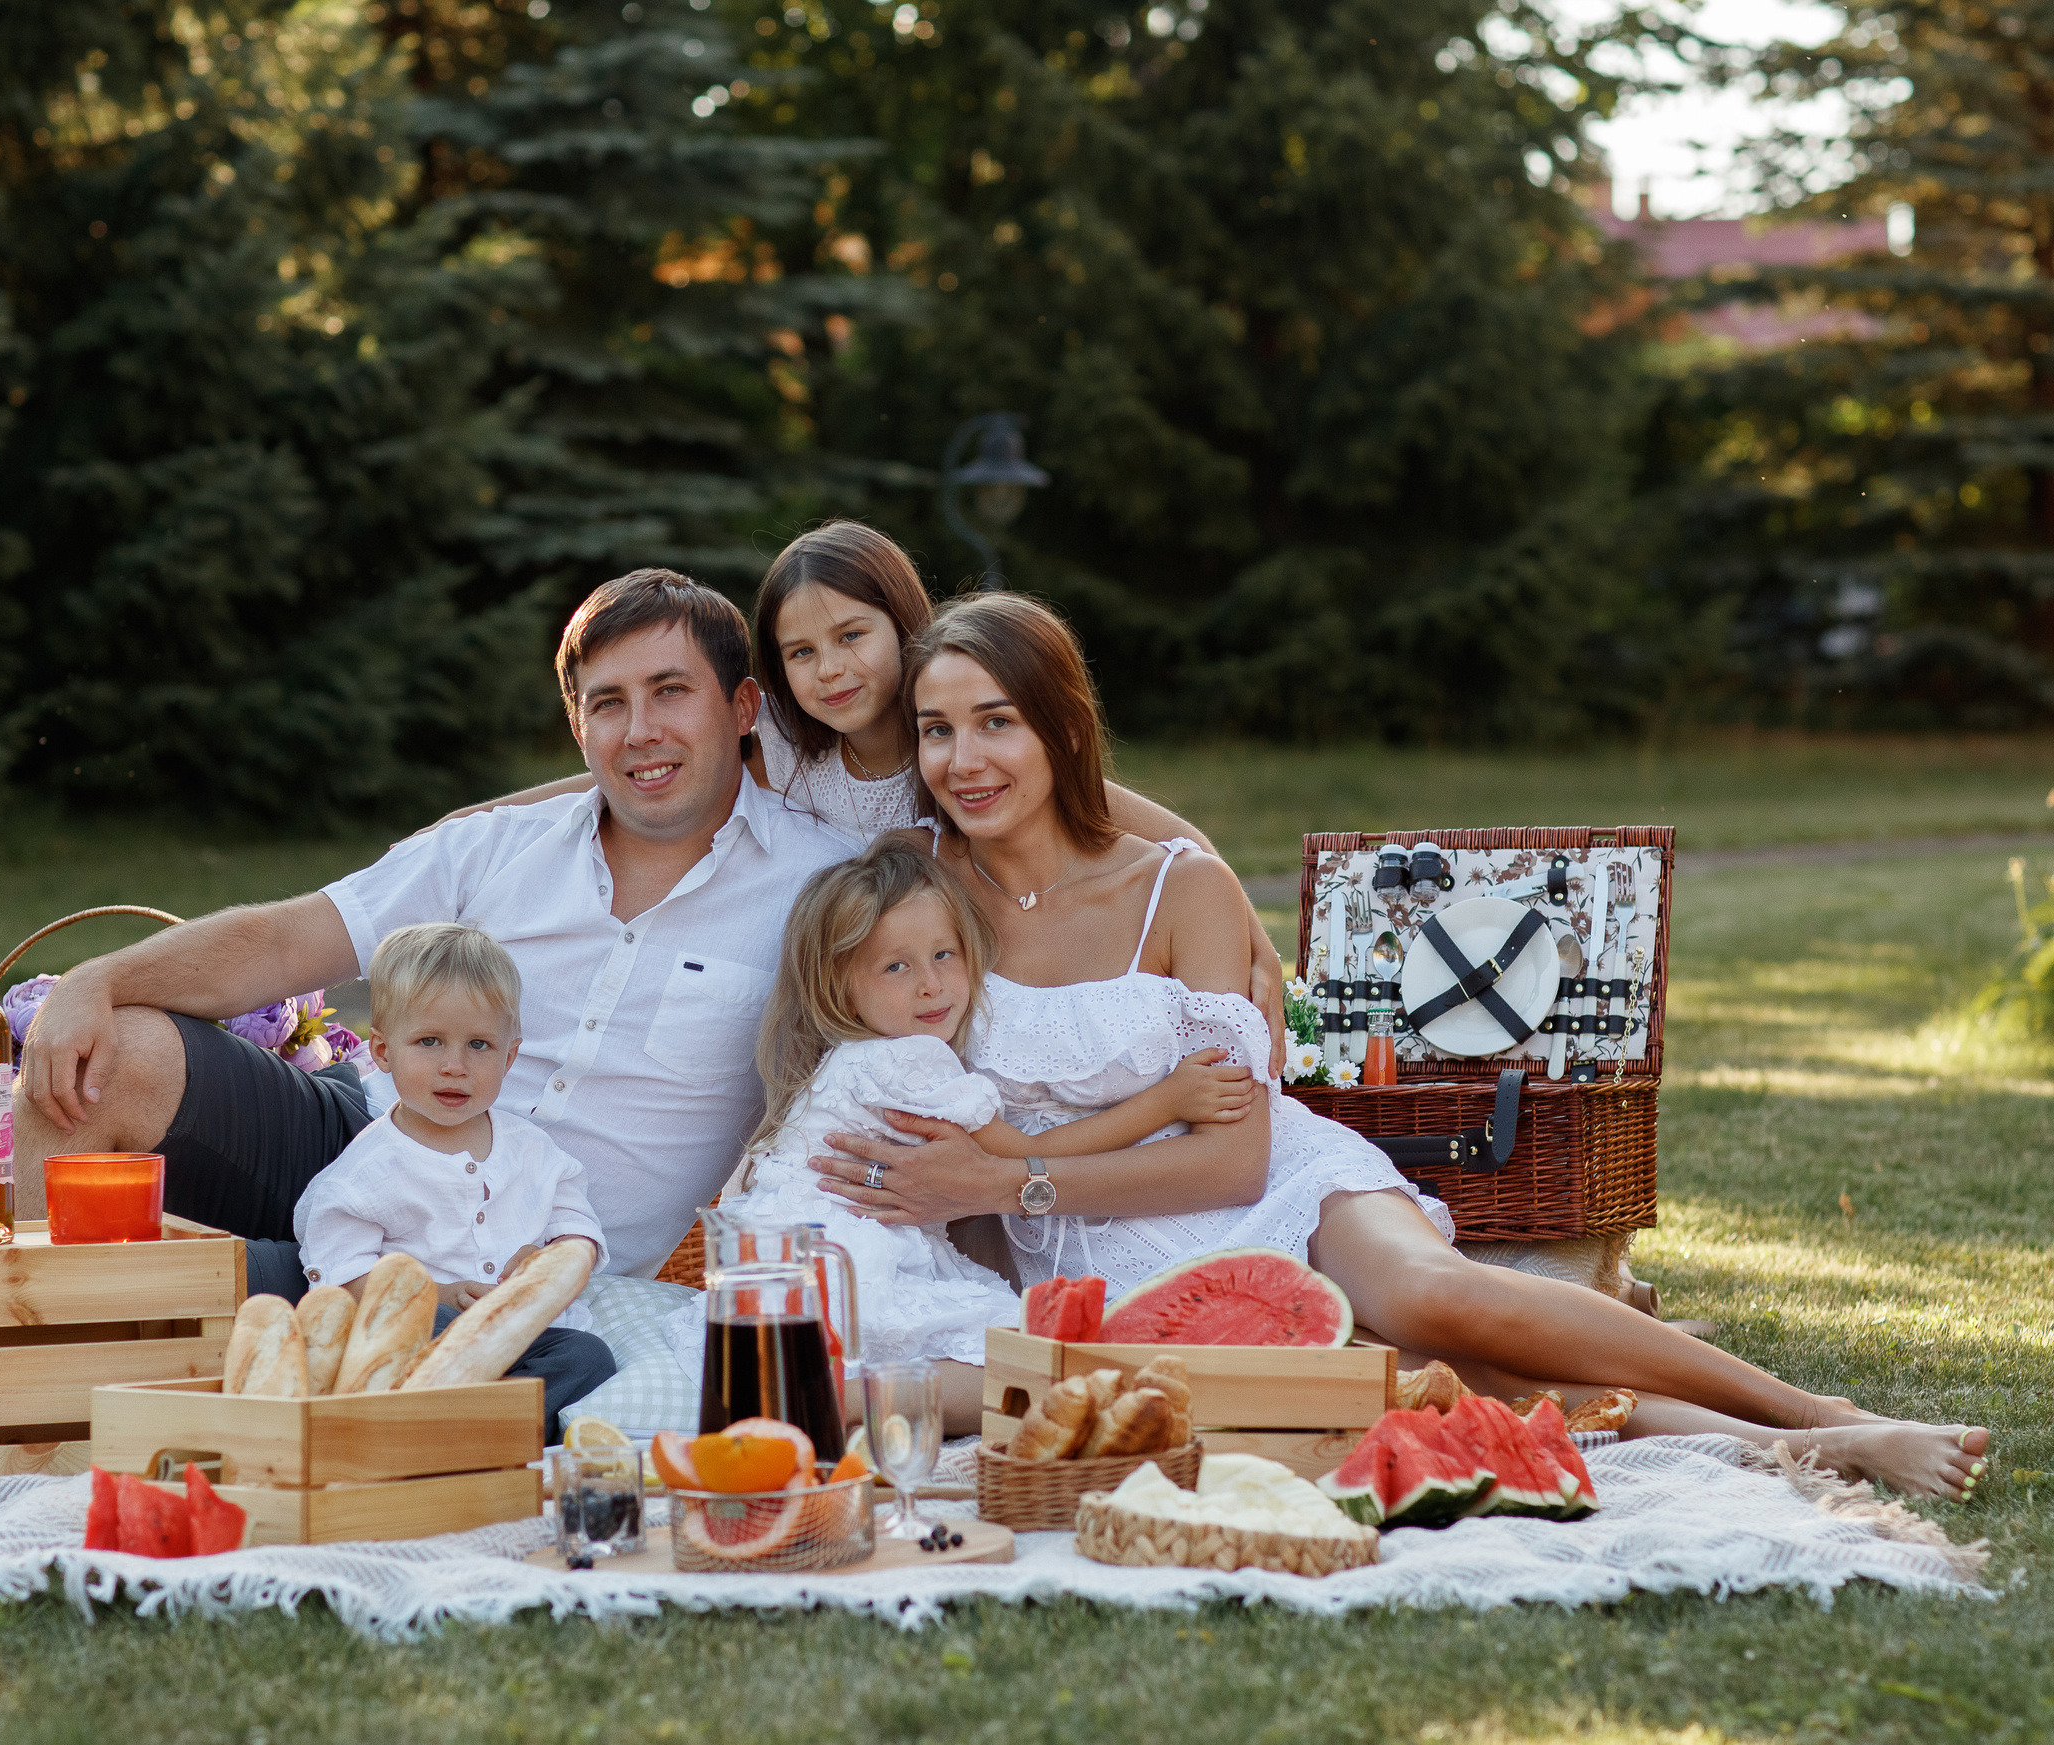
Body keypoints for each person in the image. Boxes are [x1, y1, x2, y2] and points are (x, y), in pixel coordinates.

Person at [808, 591, 1991, 1500]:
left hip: (1271, 1177)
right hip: (1098, 1251)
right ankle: (1816, 1448)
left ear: (1061, 725)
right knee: (1431, 1379)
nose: (965, 759)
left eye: (997, 722)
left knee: (1428, 1294)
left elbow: (1231, 1160)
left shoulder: (1182, 887)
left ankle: (1807, 1403)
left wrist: (1005, 1174)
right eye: (937, 729)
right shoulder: (932, 896)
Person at [13, 569, 860, 1292]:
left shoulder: (822, 889)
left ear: (744, 706)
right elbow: (287, 940)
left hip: (521, 1250)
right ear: (579, 728)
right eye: (609, 703)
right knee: (104, 1056)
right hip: (360, 1138)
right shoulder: (497, 845)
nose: (640, 731)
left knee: (208, 1291)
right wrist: (100, 980)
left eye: (670, 691)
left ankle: (165, 1326)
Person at [435, 520, 1292, 1061]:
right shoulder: (779, 744)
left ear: (904, 624)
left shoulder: (956, 757)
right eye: (801, 652)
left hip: (924, 986)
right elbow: (622, 772)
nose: (832, 669)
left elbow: (1141, 823)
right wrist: (475, 825)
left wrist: (1250, 937)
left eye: (852, 635)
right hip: (807, 970)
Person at [675, 839, 1252, 1434]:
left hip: (784, 1270)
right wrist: (1167, 1101)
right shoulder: (911, 1063)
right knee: (1030, 1364)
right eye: (896, 966)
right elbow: (1033, 1155)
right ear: (840, 987)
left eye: (944, 955)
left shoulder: (847, 1059)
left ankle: (831, 1392)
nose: (931, 984)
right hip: (849, 1271)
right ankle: (832, 1399)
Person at [293, 923, 616, 1438]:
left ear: (509, 1057)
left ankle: (482, 1432)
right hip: (431, 1329)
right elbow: (343, 1275)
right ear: (382, 1052)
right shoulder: (365, 1172)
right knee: (413, 1337)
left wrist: (552, 1260)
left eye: (480, 1045)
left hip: (522, 1329)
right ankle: (454, 1427)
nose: (454, 1066)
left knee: (587, 1355)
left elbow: (578, 1225)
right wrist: (440, 1295)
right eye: (429, 1041)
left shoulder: (532, 1150)